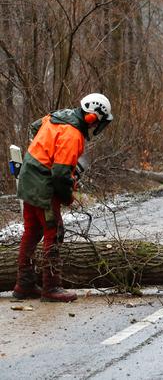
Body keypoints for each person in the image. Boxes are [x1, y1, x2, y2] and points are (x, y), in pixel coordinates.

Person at [12, 93, 114, 302]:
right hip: (43, 185)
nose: (94, 127)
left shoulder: (58, 116)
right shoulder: (73, 134)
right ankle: (51, 287)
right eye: (96, 123)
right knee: (54, 232)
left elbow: (34, 127)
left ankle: (24, 285)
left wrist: (46, 151)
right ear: (92, 117)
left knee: (32, 232)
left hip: (28, 177)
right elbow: (59, 175)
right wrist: (68, 195)